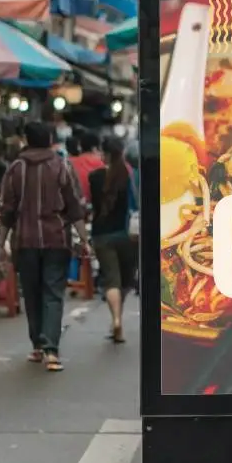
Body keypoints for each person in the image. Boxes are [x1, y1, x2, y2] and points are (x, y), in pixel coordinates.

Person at [0, 121, 91, 371]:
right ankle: (51, 350)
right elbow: (74, 207)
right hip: (56, 239)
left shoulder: (15, 168)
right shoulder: (61, 166)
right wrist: (83, 239)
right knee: (52, 293)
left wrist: (0, 243)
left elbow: (6, 210)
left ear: (26, 139)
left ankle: (38, 346)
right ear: (49, 139)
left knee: (32, 292)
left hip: (24, 241)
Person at [89, 136, 138, 344]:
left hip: (102, 235)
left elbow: (92, 203)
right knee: (125, 281)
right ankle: (116, 319)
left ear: (106, 154)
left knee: (111, 280)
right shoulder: (131, 175)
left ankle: (116, 320)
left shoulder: (94, 177)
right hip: (129, 235)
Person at [69, 131, 104, 206]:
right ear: (95, 148)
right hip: (95, 205)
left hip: (75, 206)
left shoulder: (70, 162)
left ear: (80, 147)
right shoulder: (102, 163)